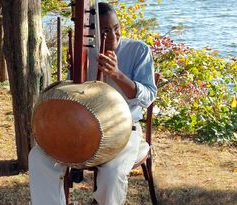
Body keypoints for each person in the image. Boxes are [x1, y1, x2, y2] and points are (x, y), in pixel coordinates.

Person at [28, 2, 157, 205]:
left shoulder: (138, 50)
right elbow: (72, 97)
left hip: (124, 131)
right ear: (92, 33)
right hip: (79, 129)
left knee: (113, 172)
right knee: (39, 157)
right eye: (106, 31)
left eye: (117, 28)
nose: (114, 36)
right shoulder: (84, 53)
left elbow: (149, 96)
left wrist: (117, 75)